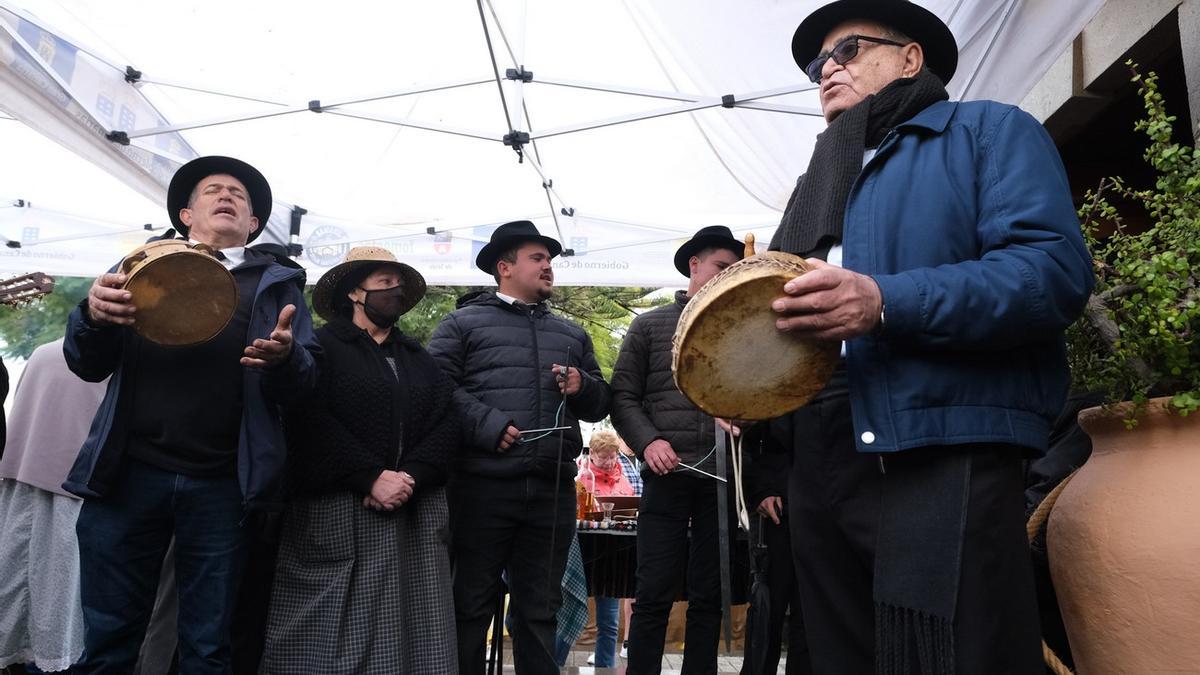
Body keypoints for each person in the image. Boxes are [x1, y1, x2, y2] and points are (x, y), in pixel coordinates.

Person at [764, 2, 1094, 672]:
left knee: (956, 654)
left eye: (848, 49)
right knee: (838, 657)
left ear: (910, 58)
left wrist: (885, 301)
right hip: (821, 457)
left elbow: (1051, 274)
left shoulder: (987, 131)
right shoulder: (815, 184)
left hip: (944, 442)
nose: (828, 69)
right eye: (816, 64)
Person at [63, 155, 319, 674]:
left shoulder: (280, 286)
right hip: (128, 475)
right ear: (185, 213)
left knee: (208, 645)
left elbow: (306, 388)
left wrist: (286, 359)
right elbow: (86, 364)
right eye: (213, 190)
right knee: (109, 638)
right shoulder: (138, 267)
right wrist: (91, 317)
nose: (227, 196)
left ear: (251, 223)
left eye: (239, 196)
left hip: (224, 485)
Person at [260, 246, 458, 674]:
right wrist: (368, 476)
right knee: (324, 634)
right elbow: (306, 417)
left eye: (398, 284)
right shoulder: (321, 347)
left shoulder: (419, 358)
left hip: (412, 512)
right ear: (354, 291)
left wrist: (408, 477)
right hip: (336, 511)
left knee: (415, 633)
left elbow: (447, 423)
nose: (395, 290)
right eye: (384, 282)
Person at [427, 220, 612, 674]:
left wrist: (581, 385)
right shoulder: (461, 323)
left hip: (551, 491)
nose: (549, 266)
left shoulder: (571, 334)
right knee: (469, 605)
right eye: (538, 258)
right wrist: (487, 425)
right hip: (480, 487)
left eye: (549, 260)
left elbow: (600, 402)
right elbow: (432, 387)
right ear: (504, 267)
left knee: (539, 609)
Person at [610, 225, 745, 675]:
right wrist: (649, 442)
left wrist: (744, 417)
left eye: (734, 270)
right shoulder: (649, 325)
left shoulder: (744, 326)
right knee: (653, 593)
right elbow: (623, 397)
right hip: (666, 476)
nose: (727, 276)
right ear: (694, 264)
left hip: (723, 481)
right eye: (721, 267)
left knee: (709, 594)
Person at [0, 339, 103, 673]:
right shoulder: (120, 364)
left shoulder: (42, 353)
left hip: (19, 481)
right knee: (62, 600)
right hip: (80, 493)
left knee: (14, 582)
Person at [578, 430, 634, 668]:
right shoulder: (581, 475)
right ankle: (555, 664)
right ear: (593, 455)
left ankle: (605, 668)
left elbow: (632, 504)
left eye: (613, 457)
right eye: (604, 458)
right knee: (569, 613)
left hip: (611, 554)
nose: (610, 462)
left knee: (609, 623)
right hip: (584, 550)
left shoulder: (623, 475)